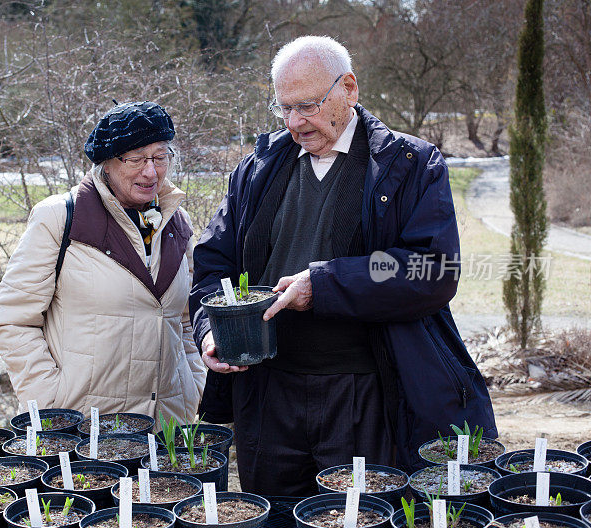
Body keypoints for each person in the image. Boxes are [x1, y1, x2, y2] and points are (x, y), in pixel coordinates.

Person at [189, 36, 497, 495]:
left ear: (349, 88)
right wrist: (210, 329)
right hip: (267, 395)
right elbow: (213, 265)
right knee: (275, 521)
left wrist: (325, 284)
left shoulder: (409, 165)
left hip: (363, 394)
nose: (294, 122)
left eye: (308, 106)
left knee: (357, 518)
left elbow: (429, 269)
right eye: (284, 109)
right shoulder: (256, 169)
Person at [0, 101, 205, 423]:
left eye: (160, 157)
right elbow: (12, 319)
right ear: (106, 163)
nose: (151, 172)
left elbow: (184, 323)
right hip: (81, 430)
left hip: (166, 428)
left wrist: (193, 389)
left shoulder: (177, 223)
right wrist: (49, 402)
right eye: (135, 159)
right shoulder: (61, 218)